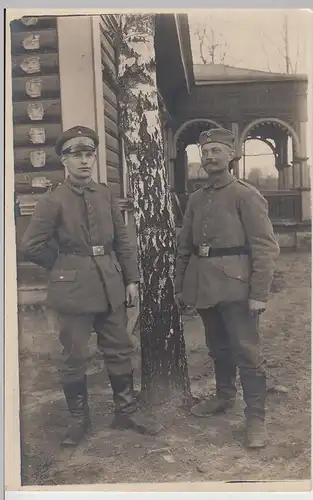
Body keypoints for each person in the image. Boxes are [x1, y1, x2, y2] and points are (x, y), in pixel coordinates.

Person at [21, 125, 162, 447]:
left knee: (119, 348)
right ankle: (78, 420)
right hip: (71, 291)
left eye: (89, 155)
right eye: (77, 155)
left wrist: (131, 279)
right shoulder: (53, 200)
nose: (85, 161)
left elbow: (123, 241)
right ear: (64, 161)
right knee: (74, 355)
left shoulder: (106, 194)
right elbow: (31, 245)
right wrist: (63, 265)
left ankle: (125, 411)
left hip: (110, 284)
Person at [175, 128, 280, 448]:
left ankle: (256, 418)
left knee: (247, 352)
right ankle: (224, 397)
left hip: (237, 286)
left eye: (216, 151)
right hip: (204, 284)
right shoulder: (195, 198)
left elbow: (264, 246)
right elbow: (185, 246)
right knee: (218, 347)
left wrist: (259, 293)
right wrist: (180, 286)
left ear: (231, 156)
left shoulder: (245, 194)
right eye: (205, 152)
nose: (209, 157)